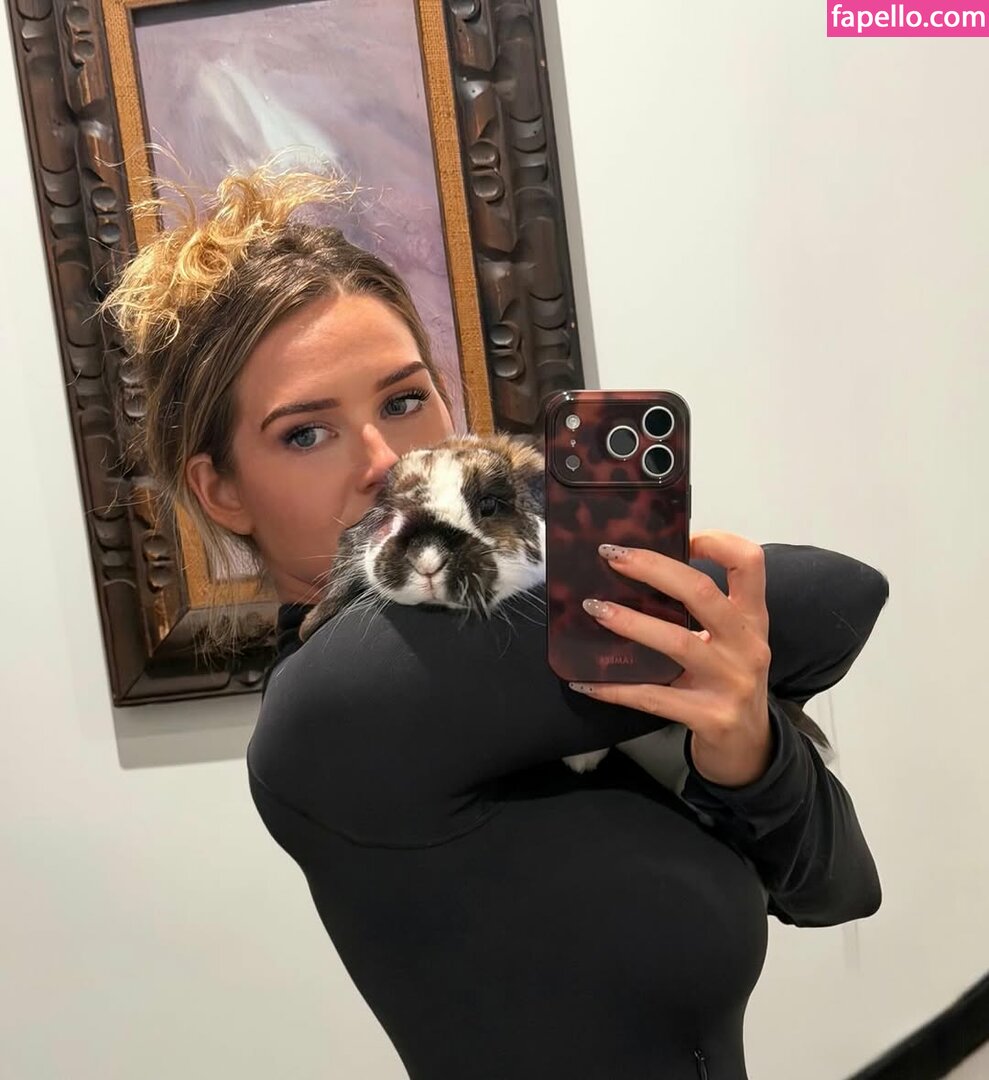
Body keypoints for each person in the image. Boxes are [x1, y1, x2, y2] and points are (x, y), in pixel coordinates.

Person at [104, 166, 889, 1080]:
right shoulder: (339, 704)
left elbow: (838, 890)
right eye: (305, 433)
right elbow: (828, 595)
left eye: (404, 400)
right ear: (222, 491)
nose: (382, 460)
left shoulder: (524, 654)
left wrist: (748, 753)